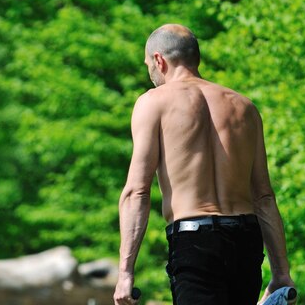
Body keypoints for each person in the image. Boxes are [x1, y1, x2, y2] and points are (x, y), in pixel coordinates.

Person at [113, 24, 295, 305]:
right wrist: (281, 272)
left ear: (159, 60)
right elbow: (264, 195)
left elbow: (136, 192)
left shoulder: (153, 103)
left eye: (148, 65)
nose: (150, 73)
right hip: (246, 240)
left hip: (194, 243)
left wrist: (125, 273)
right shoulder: (244, 107)